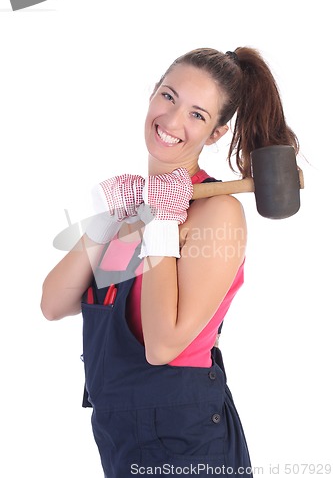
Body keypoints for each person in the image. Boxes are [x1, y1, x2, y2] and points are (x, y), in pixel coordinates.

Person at [41, 47, 299, 477]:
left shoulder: (217, 214)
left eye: (198, 115)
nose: (173, 120)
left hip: (187, 441)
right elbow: (54, 304)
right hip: (121, 436)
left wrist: (161, 224)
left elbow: (163, 346)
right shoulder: (134, 210)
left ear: (216, 133)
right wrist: (105, 219)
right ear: (151, 96)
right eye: (168, 96)